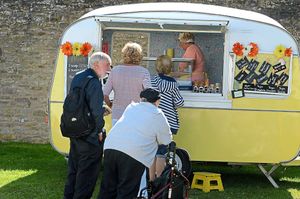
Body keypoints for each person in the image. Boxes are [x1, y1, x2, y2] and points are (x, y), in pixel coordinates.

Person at [98, 88, 173, 199]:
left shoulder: (131, 107)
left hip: (111, 147)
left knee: (108, 188)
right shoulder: (158, 114)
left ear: (141, 99)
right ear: (157, 101)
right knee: (126, 190)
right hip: (134, 153)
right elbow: (166, 140)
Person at [63, 52, 112, 199]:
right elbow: (96, 110)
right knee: (87, 175)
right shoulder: (94, 81)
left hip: (75, 131)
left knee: (74, 171)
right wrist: (99, 130)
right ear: (97, 64)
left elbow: (81, 104)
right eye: (107, 65)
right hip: (90, 135)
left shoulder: (79, 76)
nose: (109, 68)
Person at [150, 55, 184, 181]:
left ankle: (151, 180)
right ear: (170, 68)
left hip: (153, 120)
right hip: (169, 122)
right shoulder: (173, 83)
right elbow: (179, 102)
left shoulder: (152, 81)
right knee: (161, 152)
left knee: (152, 152)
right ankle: (160, 180)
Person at [103, 42, 151, 126]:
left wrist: (110, 105)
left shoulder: (115, 70)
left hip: (118, 115)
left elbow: (104, 94)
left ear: (124, 54)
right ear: (139, 56)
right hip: (137, 115)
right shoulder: (144, 72)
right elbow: (150, 94)